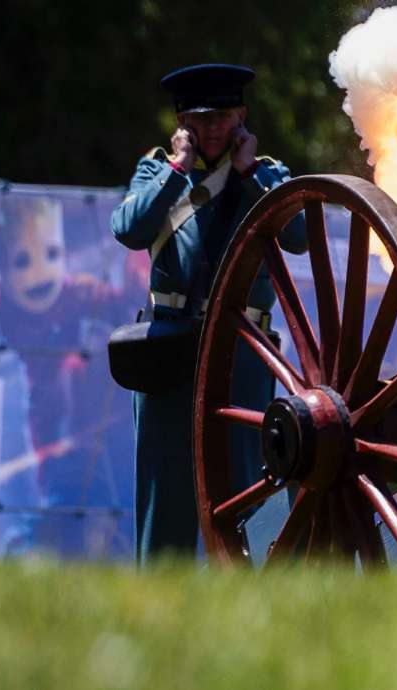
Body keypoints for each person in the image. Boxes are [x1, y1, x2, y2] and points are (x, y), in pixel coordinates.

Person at [110, 64, 306, 564]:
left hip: (241, 351)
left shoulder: (266, 173)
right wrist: (178, 169)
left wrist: (249, 173)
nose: (212, 128)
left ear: (241, 117)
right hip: (172, 347)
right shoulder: (158, 171)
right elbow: (130, 228)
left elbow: (300, 236)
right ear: (182, 123)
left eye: (222, 116)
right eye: (200, 118)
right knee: (165, 495)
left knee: (247, 486)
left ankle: (248, 598)